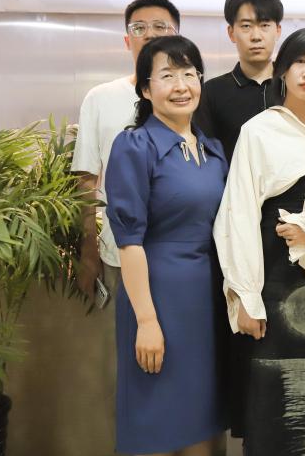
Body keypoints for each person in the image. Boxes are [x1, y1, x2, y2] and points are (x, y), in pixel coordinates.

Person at [214, 27, 305, 456]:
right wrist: (245, 297)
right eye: (300, 62)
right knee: (270, 401)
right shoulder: (258, 130)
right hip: (272, 285)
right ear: (283, 69)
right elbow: (238, 214)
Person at [105, 35, 227, 455]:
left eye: (189, 74)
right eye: (167, 76)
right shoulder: (135, 145)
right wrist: (147, 320)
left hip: (206, 300)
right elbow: (129, 242)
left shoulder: (214, 151)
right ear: (145, 89)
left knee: (200, 421)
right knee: (154, 420)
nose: (181, 86)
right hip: (156, 296)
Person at [69, 0, 180, 454]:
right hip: (120, 257)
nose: (150, 35)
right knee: (134, 371)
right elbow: (86, 179)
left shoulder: (189, 95)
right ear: (126, 39)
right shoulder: (102, 98)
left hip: (182, 261)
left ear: (177, 36)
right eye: (140, 28)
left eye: (161, 28)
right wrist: (88, 251)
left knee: (182, 372)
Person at [194, 0, 284, 161]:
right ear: (231, 33)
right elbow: (207, 157)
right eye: (246, 26)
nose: (256, 36)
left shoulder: (294, 86)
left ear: (278, 30)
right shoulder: (211, 92)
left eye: (264, 25)